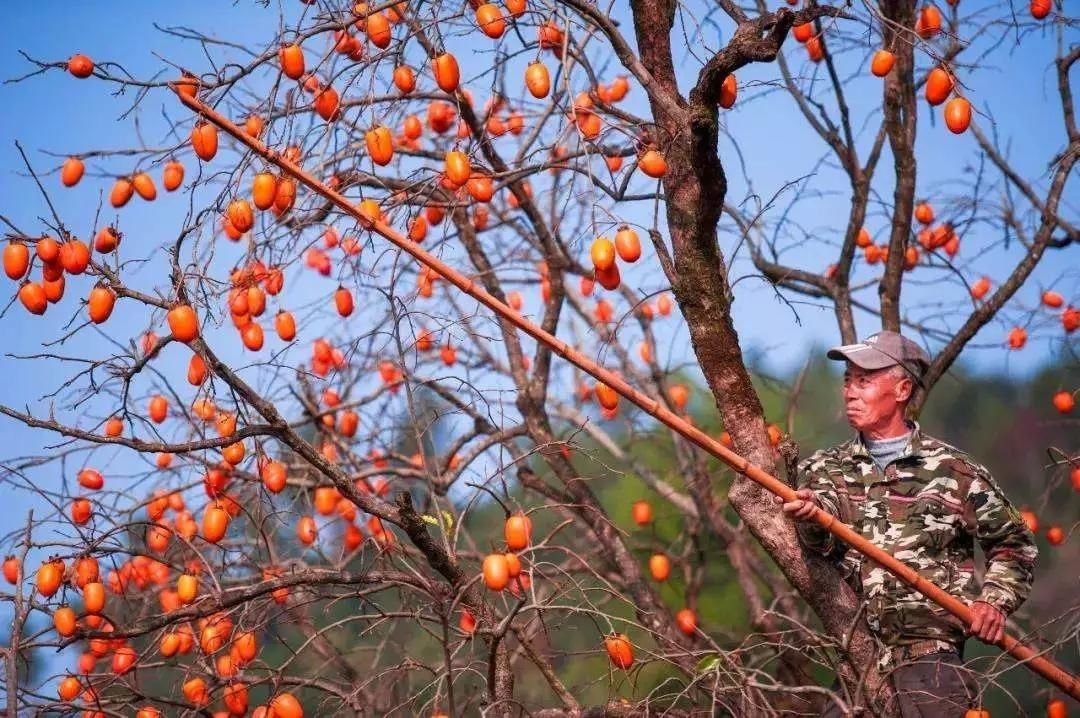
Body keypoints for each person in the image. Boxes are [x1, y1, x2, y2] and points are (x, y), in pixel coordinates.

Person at [778, 331, 1038, 716]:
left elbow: (1015, 547)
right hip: (855, 664)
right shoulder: (825, 469)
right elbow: (818, 542)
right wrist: (814, 516)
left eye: (864, 381)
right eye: (847, 380)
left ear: (901, 390)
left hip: (932, 671)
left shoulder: (955, 470)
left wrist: (993, 601)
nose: (850, 391)